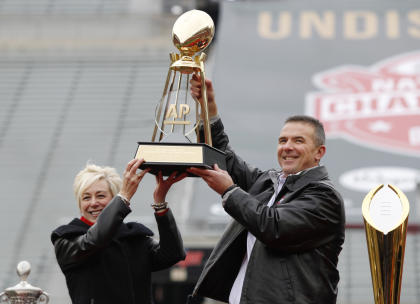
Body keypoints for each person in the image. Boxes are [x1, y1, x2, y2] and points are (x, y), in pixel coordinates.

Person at [186, 75, 346, 304]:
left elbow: (274, 227)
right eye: (282, 140)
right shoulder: (268, 183)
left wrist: (229, 191)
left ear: (319, 152)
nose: (287, 147)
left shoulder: (324, 196)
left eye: (298, 141)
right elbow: (224, 158)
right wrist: (207, 107)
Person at [51, 158, 187, 304]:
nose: (93, 203)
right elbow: (95, 240)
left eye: (101, 195)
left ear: (113, 199)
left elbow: (173, 254)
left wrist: (160, 203)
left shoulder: (133, 237)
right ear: (79, 204)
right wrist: (124, 197)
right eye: (86, 197)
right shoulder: (67, 239)